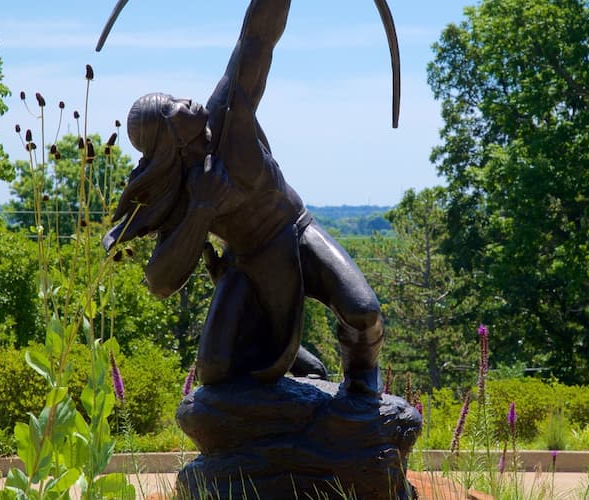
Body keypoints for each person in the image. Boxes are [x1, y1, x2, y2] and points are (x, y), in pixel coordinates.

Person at [103, 0, 383, 395]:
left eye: (175, 97)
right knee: (216, 370)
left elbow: (257, 37)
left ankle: (361, 391)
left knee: (364, 312)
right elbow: (160, 282)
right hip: (249, 262)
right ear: (172, 143)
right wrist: (201, 210)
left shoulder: (227, 112)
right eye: (173, 110)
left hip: (295, 230)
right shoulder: (184, 190)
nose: (185, 101)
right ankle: (288, 351)